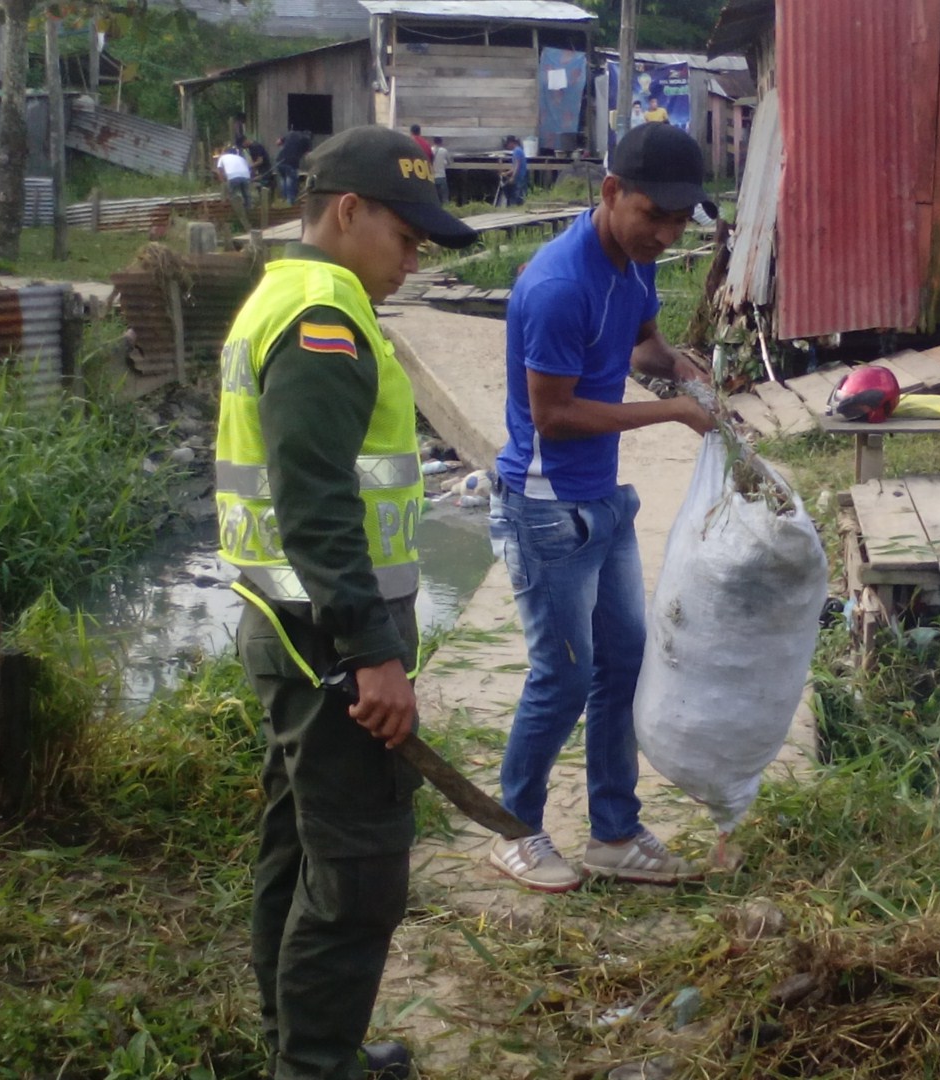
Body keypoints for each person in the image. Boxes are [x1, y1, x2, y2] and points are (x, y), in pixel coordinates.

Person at [214, 125, 474, 1080]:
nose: (414, 259)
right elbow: (315, 496)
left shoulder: (285, 294)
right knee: (360, 866)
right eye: (406, 238)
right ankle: (317, 1063)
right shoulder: (324, 313)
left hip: (289, 629)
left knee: (300, 843)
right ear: (349, 211)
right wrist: (372, 651)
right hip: (326, 641)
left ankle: (303, 1043)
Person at [485, 122, 721, 892]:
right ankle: (512, 829)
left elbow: (638, 346)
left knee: (622, 662)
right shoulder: (559, 285)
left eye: (682, 221)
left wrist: (679, 369)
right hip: (548, 509)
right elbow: (554, 414)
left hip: (605, 504)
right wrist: (672, 414)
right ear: (611, 192)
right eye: (656, 215)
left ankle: (614, 834)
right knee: (563, 676)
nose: (667, 233)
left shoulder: (634, 263)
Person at [276, 127, 314, 204]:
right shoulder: (307, 140)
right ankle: (290, 202)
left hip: (280, 160)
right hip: (292, 162)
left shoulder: (292, 133)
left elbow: (278, 142)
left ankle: (284, 200)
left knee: (283, 180)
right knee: (290, 181)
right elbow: (308, 155)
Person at [216, 143, 253, 211]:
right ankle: (249, 209)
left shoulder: (222, 157)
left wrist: (222, 182)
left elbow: (219, 171)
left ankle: (235, 210)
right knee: (246, 193)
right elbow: (247, 168)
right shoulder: (240, 158)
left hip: (233, 175)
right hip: (245, 175)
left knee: (233, 194)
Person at [499, 134, 529, 207]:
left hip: (521, 177)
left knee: (519, 196)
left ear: (512, 143)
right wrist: (506, 173)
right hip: (519, 177)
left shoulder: (517, 151)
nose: (507, 146)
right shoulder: (516, 151)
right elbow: (514, 167)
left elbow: (517, 165)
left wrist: (513, 177)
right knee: (517, 195)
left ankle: (519, 208)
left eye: (508, 144)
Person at [430, 136, 452, 205]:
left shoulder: (430, 150)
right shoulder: (444, 150)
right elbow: (449, 162)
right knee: (444, 197)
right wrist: (444, 163)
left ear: (433, 142)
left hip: (432, 177)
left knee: (434, 197)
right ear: (441, 142)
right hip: (442, 176)